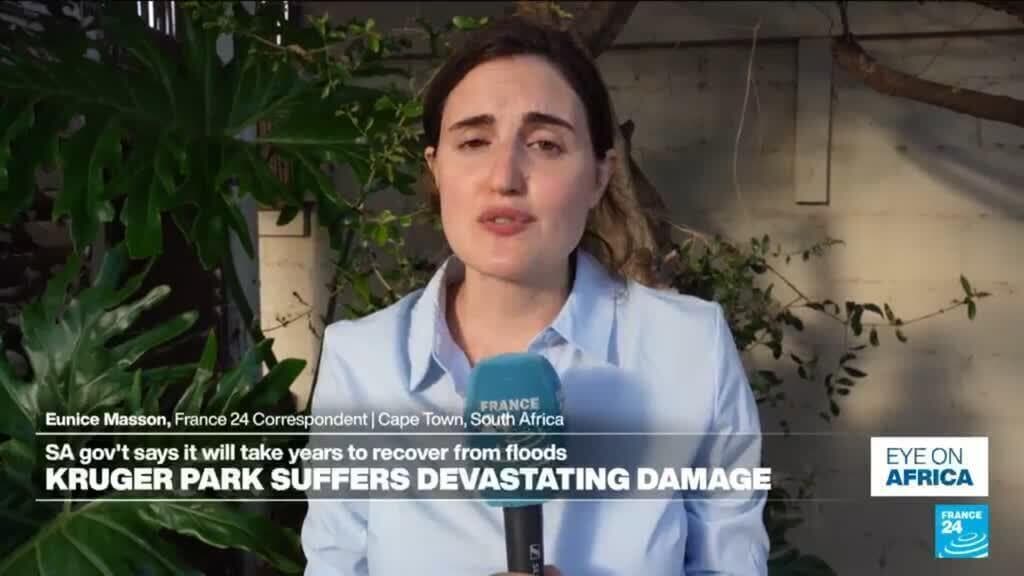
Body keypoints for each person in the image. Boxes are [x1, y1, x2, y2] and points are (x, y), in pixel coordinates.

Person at [301, 16, 769, 576]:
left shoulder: (689, 347)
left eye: (545, 143)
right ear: (436, 170)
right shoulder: (361, 360)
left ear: (600, 175)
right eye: (473, 141)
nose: (505, 176)